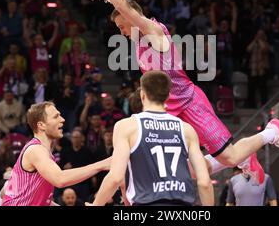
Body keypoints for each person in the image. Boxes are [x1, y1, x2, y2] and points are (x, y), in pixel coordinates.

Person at [87, 0, 279, 183]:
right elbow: (121, 2)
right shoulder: (137, 36)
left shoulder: (153, 31)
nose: (121, 32)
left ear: (132, 19)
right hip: (168, 110)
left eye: (121, 27)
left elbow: (122, 5)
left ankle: (272, 132)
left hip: (188, 102)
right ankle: (244, 158)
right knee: (177, 172)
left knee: (228, 156)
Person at [89, 71, 213, 206]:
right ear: (168, 96)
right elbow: (204, 182)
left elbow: (116, 177)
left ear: (142, 94)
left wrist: (96, 204)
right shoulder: (186, 129)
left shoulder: (126, 126)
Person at [0, 102, 110, 206]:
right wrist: (102, 164)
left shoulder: (42, 152)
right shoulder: (36, 150)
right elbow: (60, 179)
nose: (62, 120)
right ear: (41, 125)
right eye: (56, 116)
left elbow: (40, 200)